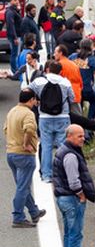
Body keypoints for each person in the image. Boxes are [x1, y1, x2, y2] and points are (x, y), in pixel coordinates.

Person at [52, 124, 94, 247]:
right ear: (69, 136)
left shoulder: (63, 150)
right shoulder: (70, 155)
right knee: (75, 234)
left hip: (63, 198)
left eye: (83, 135)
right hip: (71, 199)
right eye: (79, 136)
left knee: (69, 232)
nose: (83, 138)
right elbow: (74, 182)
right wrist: (81, 195)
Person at [6, 88, 45, 228]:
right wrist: (26, 144)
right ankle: (18, 216)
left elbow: (6, 130)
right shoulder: (28, 114)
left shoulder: (12, 111)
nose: (36, 102)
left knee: (22, 185)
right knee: (22, 187)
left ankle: (34, 212)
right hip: (24, 154)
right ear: (31, 100)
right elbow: (29, 129)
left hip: (11, 153)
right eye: (35, 100)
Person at [31, 62, 73, 181]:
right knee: (62, 146)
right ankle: (62, 174)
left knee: (46, 146)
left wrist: (37, 99)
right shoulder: (65, 82)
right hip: (63, 117)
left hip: (44, 117)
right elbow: (72, 98)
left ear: (48, 69)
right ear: (60, 71)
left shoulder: (39, 81)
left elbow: (27, 90)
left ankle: (46, 175)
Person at [55, 46, 84, 115]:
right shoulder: (74, 64)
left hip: (65, 96)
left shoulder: (59, 65)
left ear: (60, 53)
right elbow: (80, 82)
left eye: (55, 52)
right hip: (76, 94)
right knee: (78, 119)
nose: (54, 54)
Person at [5, 0, 21, 72]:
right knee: (14, 54)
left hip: (17, 35)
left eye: (17, 0)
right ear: (10, 1)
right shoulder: (10, 12)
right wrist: (15, 37)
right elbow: (10, 25)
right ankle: (14, 71)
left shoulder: (15, 10)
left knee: (16, 54)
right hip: (14, 36)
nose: (16, 2)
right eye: (14, 0)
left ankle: (15, 70)